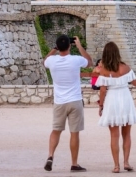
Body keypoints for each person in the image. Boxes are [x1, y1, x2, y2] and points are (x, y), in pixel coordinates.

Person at [43, 35, 92, 172]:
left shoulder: (52, 61)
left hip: (60, 101)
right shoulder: (76, 60)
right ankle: (74, 163)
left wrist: (54, 49)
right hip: (75, 100)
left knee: (56, 131)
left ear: (58, 47)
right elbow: (89, 61)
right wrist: (79, 46)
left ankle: (50, 155)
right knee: (74, 133)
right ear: (70, 45)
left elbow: (44, 62)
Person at [96, 42, 136, 173]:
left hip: (112, 100)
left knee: (114, 136)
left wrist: (101, 105)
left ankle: (116, 166)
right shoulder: (126, 68)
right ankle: (126, 162)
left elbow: (102, 90)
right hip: (125, 98)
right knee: (127, 134)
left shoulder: (104, 71)